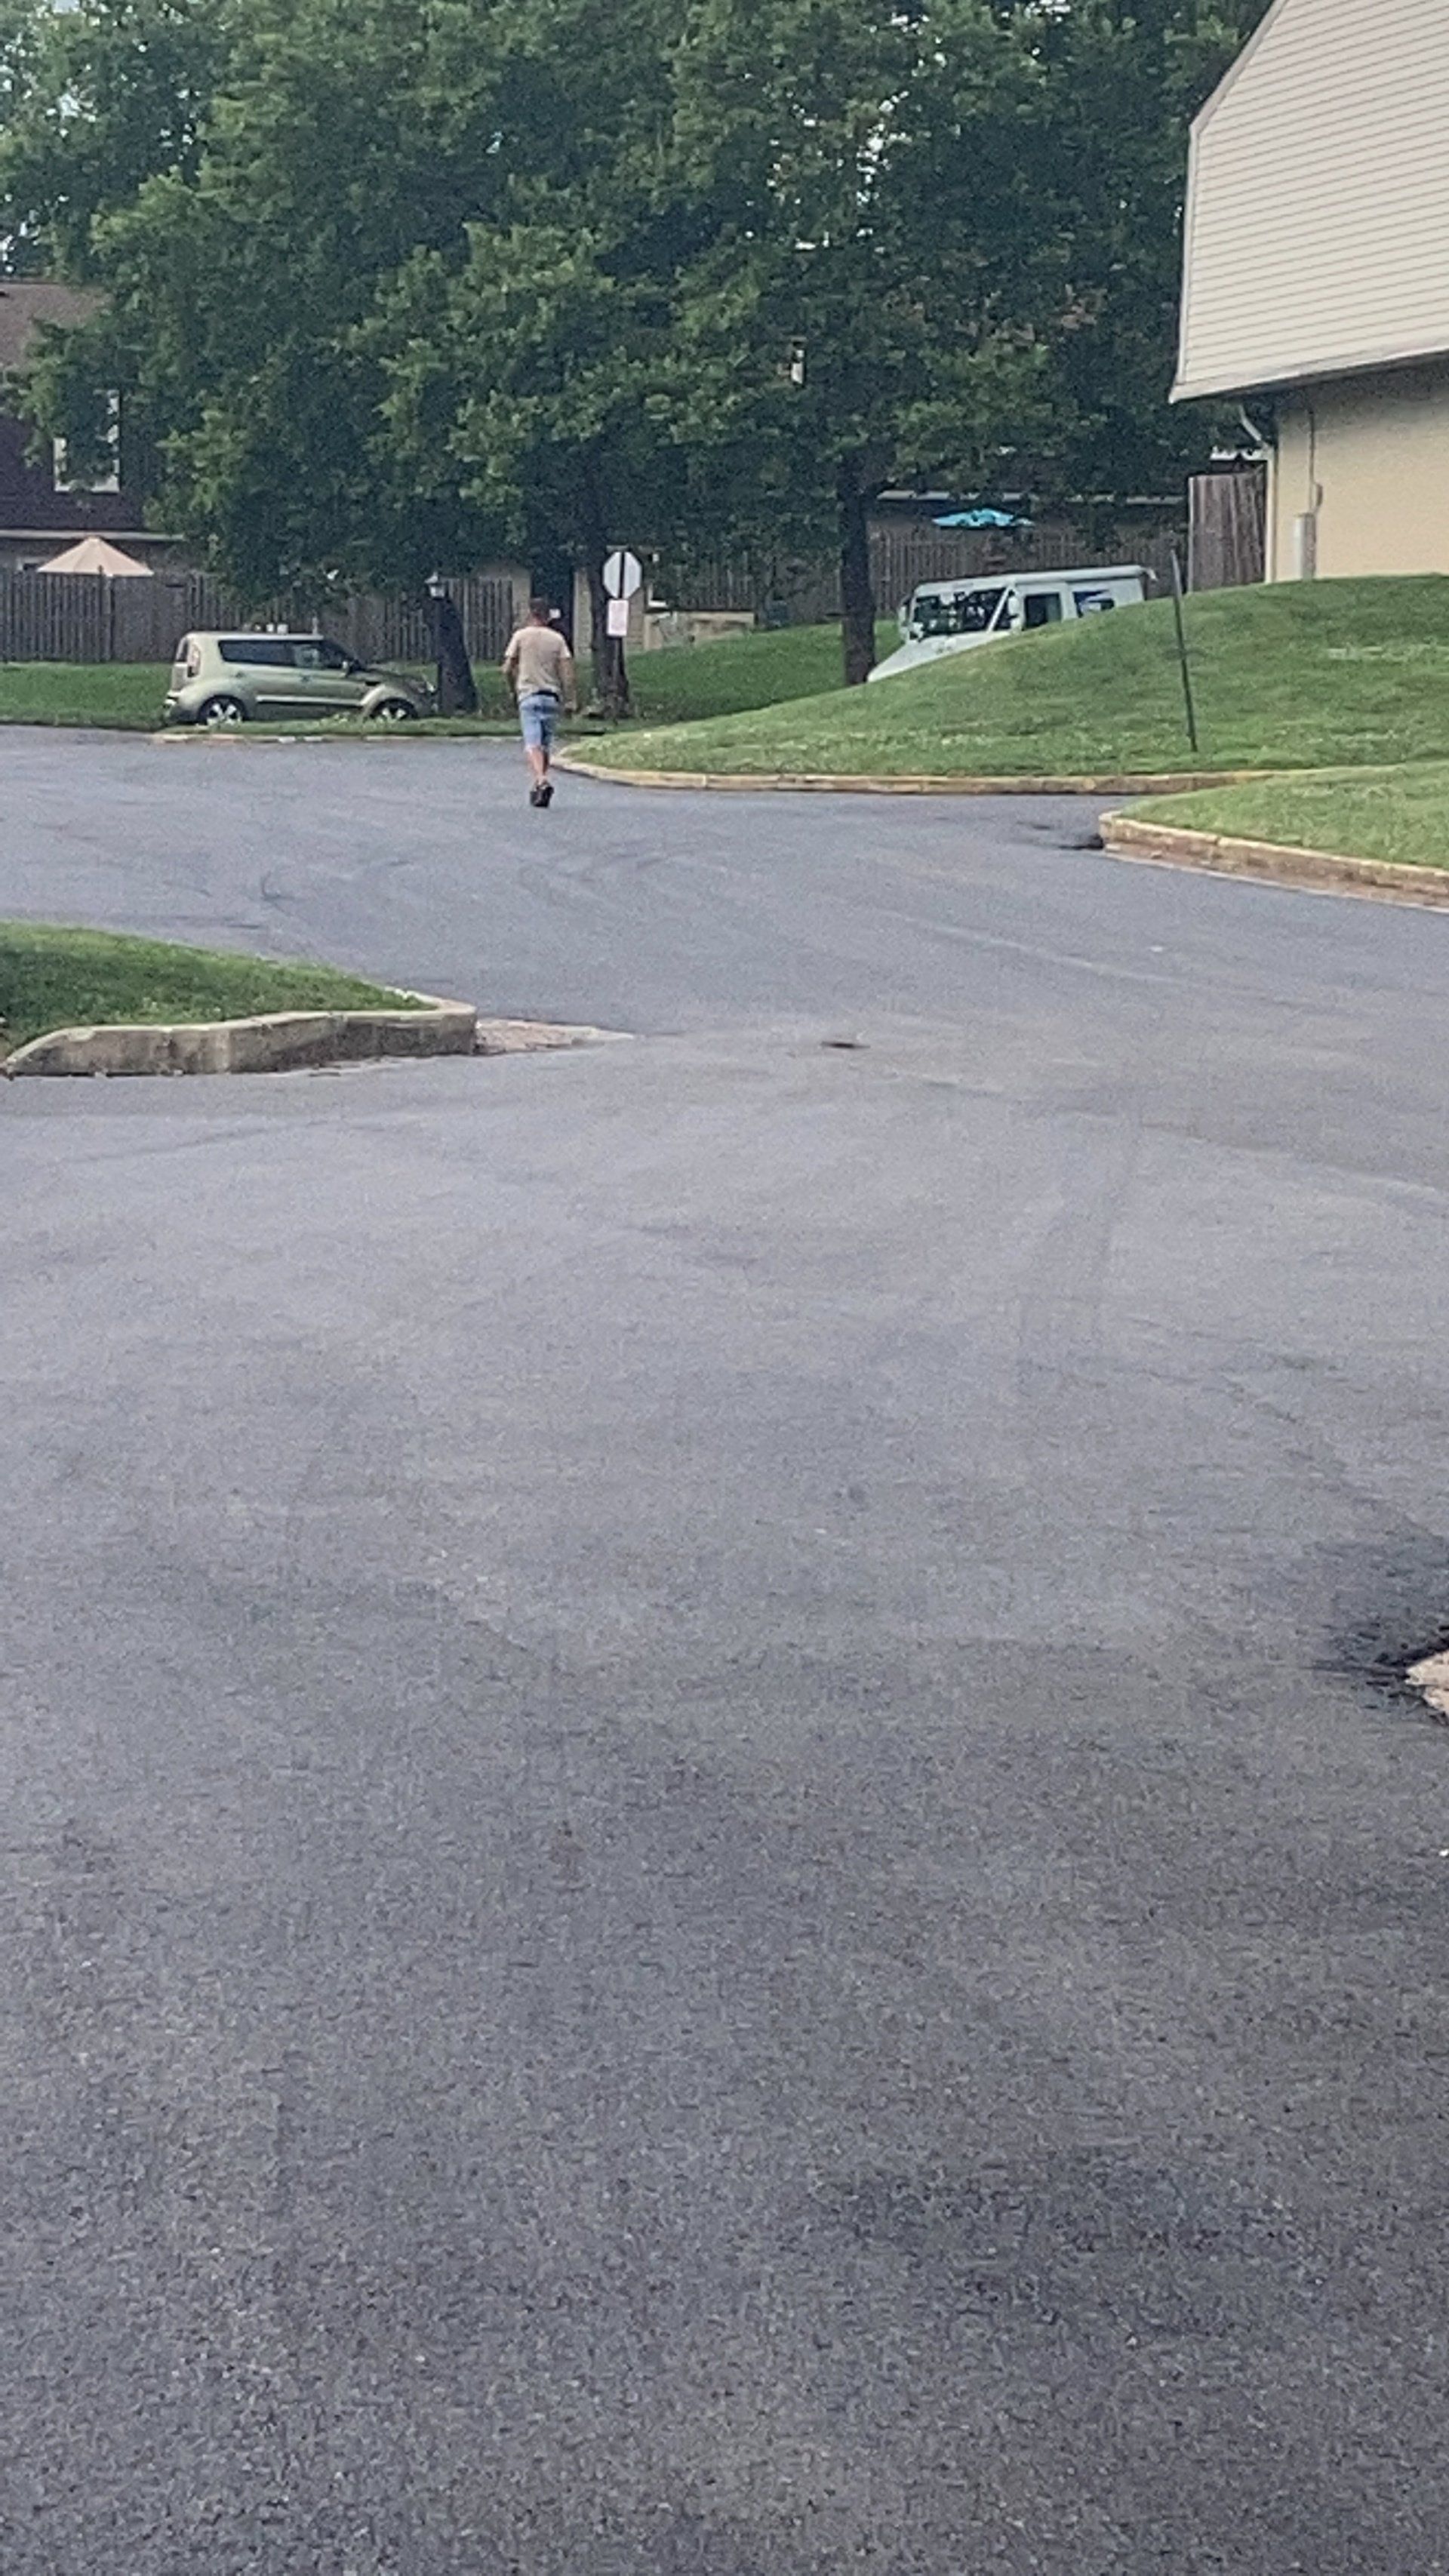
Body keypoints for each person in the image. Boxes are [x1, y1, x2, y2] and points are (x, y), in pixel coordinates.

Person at [502, 598, 577, 808]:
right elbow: (568, 672)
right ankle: (538, 785)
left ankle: (542, 780)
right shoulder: (557, 640)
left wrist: (512, 689)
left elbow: (507, 668)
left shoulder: (521, 636)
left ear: (531, 614)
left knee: (532, 744)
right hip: (551, 696)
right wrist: (571, 699)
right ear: (547, 617)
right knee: (545, 744)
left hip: (528, 695)